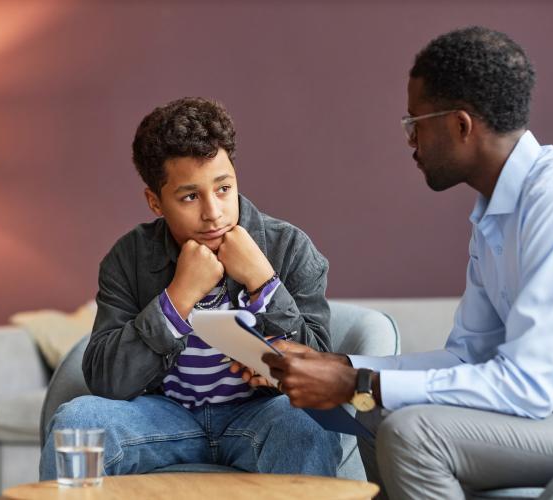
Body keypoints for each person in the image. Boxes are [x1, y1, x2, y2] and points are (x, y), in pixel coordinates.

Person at [263, 26, 553, 499]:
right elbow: (469, 356)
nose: (411, 141)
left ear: (461, 125)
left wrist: (357, 381)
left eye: (416, 123)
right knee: (366, 408)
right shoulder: (495, 215)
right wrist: (341, 364)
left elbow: (527, 385)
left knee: (411, 431)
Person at [40, 97, 342, 478]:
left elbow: (321, 374)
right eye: (189, 196)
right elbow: (106, 380)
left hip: (259, 415)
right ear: (155, 201)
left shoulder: (289, 247)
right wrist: (177, 298)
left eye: (223, 189)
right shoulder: (128, 258)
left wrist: (263, 283)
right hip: (162, 416)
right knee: (78, 421)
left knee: (310, 422)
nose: (213, 212)